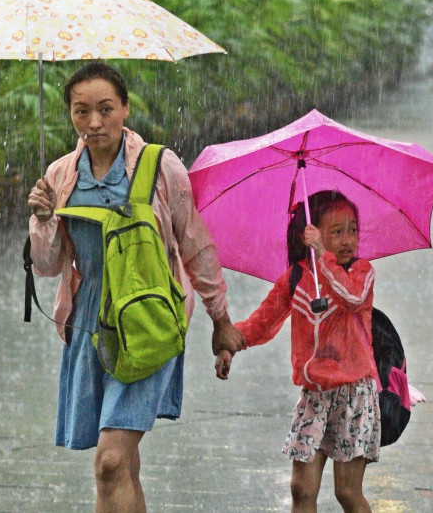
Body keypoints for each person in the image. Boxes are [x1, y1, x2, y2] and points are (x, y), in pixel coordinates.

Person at [28, 62, 245, 512]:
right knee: (123, 465)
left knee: (109, 463)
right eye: (81, 111)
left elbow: (195, 246)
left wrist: (220, 320)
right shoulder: (61, 176)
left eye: (105, 109)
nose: (94, 123)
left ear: (125, 108)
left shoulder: (159, 166)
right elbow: (48, 267)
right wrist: (44, 218)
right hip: (90, 322)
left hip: (147, 318)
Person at [217, 190, 380, 513]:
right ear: (311, 233)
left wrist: (324, 255)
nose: (348, 240)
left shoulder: (361, 272)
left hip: (355, 395)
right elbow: (262, 321)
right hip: (315, 395)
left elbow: (351, 298)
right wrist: (229, 344)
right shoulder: (296, 277)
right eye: (336, 231)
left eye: (353, 230)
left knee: (347, 492)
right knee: (301, 489)